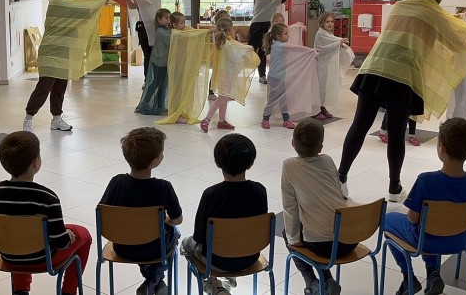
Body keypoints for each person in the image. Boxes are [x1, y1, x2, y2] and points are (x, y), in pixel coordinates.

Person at [337, 0, 466, 202]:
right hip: (402, 76)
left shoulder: (399, 6)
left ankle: (340, 177)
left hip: (373, 69)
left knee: (360, 125)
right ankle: (394, 187)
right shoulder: (433, 14)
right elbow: (458, 43)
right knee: (396, 134)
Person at [383, 118, 466, 295]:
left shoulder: (426, 180)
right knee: (435, 225)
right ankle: (432, 273)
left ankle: (408, 277)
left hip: (426, 241)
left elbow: (413, 218)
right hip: (461, 240)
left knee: (388, 219)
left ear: (441, 147)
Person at [0, 132, 92, 295]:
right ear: (36, 162)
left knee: (18, 234)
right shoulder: (47, 198)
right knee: (84, 235)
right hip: (44, 259)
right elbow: (61, 243)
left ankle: (20, 290)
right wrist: (68, 237)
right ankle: (69, 291)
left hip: (10, 257)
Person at [180, 134, 268, 295]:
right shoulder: (260, 190)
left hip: (216, 261)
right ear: (251, 163)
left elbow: (200, 236)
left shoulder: (211, 194)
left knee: (186, 243)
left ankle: (213, 284)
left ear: (217, 162)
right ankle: (228, 280)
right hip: (250, 257)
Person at [100, 128, 183, 295]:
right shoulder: (163, 187)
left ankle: (153, 281)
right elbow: (177, 219)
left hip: (122, 246)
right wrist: (164, 220)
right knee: (175, 232)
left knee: (139, 234)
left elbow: (103, 215)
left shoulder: (116, 182)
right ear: (154, 161)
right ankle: (154, 279)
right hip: (154, 248)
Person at [23, 0, 108, 133]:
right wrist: (99, 1)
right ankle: (28, 119)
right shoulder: (57, 2)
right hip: (50, 52)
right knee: (44, 86)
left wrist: (96, 1)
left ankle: (56, 119)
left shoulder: (66, 3)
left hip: (63, 51)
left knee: (60, 86)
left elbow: (81, 11)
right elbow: (82, 9)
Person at [281, 118, 355, 295]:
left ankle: (314, 282)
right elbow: (339, 193)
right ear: (321, 148)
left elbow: (290, 208)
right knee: (317, 227)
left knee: (288, 233)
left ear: (292, 143)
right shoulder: (327, 160)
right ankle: (327, 281)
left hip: (323, 245)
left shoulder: (289, 165)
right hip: (350, 239)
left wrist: (294, 241)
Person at [200, 19, 260, 133]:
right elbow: (234, 58)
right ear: (229, 30)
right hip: (227, 75)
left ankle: (222, 121)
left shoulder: (223, 42)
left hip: (227, 74)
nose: (233, 31)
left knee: (225, 98)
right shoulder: (227, 44)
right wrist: (245, 51)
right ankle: (206, 119)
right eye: (232, 29)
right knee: (221, 98)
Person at [261, 23, 319, 129]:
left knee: (283, 99)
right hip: (274, 78)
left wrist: (311, 52)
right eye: (286, 33)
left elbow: (295, 51)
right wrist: (311, 51)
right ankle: (265, 118)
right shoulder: (279, 46)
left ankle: (286, 119)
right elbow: (296, 48)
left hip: (280, 77)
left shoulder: (279, 45)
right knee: (273, 100)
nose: (288, 35)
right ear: (278, 36)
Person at [313, 13, 354, 120]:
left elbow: (333, 40)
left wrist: (340, 43)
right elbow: (323, 48)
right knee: (319, 87)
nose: (330, 23)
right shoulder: (321, 34)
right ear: (322, 23)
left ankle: (322, 107)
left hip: (325, 65)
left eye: (332, 21)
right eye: (327, 21)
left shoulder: (328, 33)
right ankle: (315, 109)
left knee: (324, 87)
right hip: (320, 65)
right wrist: (339, 43)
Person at [125, 0, 163, 81]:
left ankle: (155, 78)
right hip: (143, 28)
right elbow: (133, 6)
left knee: (154, 54)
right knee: (146, 54)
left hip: (153, 28)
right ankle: (147, 80)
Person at [248, 0, 286, 84]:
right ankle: (238, 71)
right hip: (257, 26)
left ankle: (262, 76)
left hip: (266, 25)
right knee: (250, 50)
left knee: (263, 51)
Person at [135, 9, 172, 115]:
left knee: (162, 85)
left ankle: (161, 105)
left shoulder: (166, 29)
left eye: (169, 18)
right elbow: (171, 39)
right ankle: (145, 103)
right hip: (159, 61)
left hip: (164, 61)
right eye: (166, 18)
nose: (168, 20)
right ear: (159, 20)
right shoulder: (160, 31)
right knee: (155, 84)